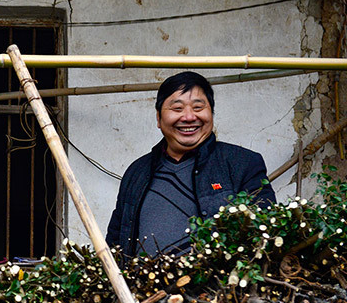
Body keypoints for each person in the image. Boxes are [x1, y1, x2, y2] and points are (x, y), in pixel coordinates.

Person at [106, 71, 276, 258]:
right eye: (177, 109)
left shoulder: (242, 164)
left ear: (211, 113)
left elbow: (264, 235)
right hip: (139, 286)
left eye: (198, 107)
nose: (188, 117)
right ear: (158, 118)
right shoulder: (137, 172)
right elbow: (116, 241)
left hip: (218, 286)